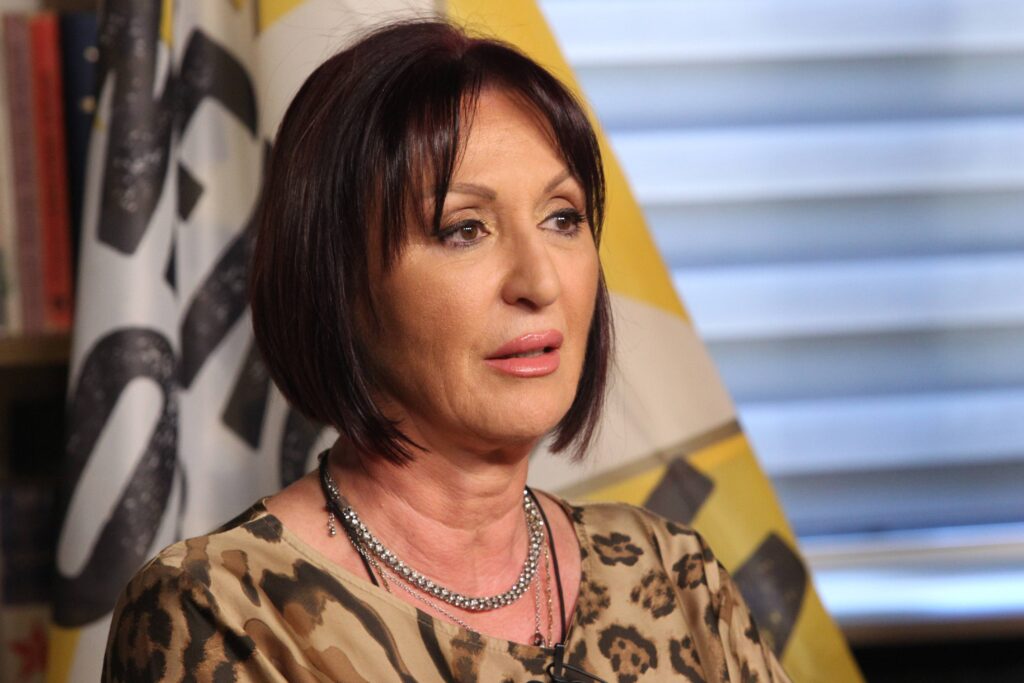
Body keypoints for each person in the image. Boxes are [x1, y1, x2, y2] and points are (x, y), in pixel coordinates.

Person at [103, 19, 791, 683]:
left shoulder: (673, 572)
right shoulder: (218, 609)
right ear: (337, 281)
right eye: (464, 229)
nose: (540, 282)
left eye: (562, 218)